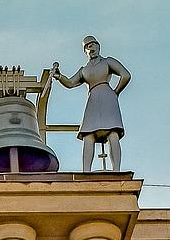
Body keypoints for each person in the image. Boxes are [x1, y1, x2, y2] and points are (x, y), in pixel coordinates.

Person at [51, 36, 132, 172]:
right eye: (88, 46)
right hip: (93, 99)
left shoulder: (107, 62)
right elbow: (71, 83)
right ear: (85, 51)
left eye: (93, 44)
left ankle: (116, 170)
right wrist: (59, 76)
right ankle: (86, 171)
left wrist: (115, 92)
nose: (91, 47)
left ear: (99, 46)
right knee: (88, 135)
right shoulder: (84, 70)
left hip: (107, 97)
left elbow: (126, 75)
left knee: (113, 133)